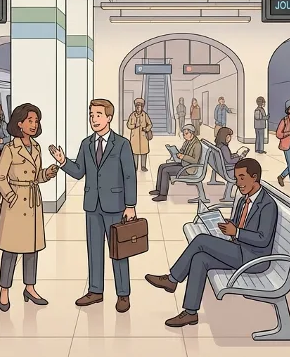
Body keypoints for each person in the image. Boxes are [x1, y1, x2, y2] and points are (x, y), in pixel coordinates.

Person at [145, 158, 277, 327]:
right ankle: (190, 313)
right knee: (200, 258)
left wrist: (236, 232)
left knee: (201, 241)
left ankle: (172, 279)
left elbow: (263, 239)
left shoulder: (267, 204)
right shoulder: (244, 199)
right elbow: (239, 223)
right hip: (239, 249)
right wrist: (224, 225)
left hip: (253, 258)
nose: (238, 183)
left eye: (242, 178)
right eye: (236, 178)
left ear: (255, 177)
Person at [51, 99, 137, 313]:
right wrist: (63, 162)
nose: (94, 119)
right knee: (94, 250)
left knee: (119, 251)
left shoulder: (122, 144)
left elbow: (129, 175)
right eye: (91, 115)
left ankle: (123, 294)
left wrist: (130, 205)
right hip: (92, 206)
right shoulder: (86, 144)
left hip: (116, 205)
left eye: (98, 114)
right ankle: (95, 291)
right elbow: (79, 171)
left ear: (109, 117)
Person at [0, 103, 59, 311]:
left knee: (32, 249)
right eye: (30, 120)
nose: (34, 124)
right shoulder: (10, 149)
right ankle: (4, 291)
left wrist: (47, 173)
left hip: (32, 201)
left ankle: (30, 288)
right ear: (19, 123)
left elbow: (36, 176)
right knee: (10, 251)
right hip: (15, 203)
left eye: (36, 121)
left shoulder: (37, 147)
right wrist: (10, 196)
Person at [151, 124, 202, 202]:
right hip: (184, 163)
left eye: (186, 134)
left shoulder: (197, 144)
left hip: (189, 168)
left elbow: (195, 160)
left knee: (166, 171)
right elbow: (183, 151)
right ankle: (159, 189)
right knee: (162, 166)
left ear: (192, 133)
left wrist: (183, 156)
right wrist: (176, 152)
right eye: (184, 134)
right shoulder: (188, 142)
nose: (185, 136)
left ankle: (163, 195)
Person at [126, 98, 153, 171]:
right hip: (135, 137)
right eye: (136, 106)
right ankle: (135, 166)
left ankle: (143, 166)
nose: (138, 107)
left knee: (144, 152)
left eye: (139, 106)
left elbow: (150, 124)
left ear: (142, 107)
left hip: (143, 136)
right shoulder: (132, 115)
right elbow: (128, 125)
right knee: (135, 152)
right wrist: (134, 125)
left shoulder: (145, 115)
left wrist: (146, 129)